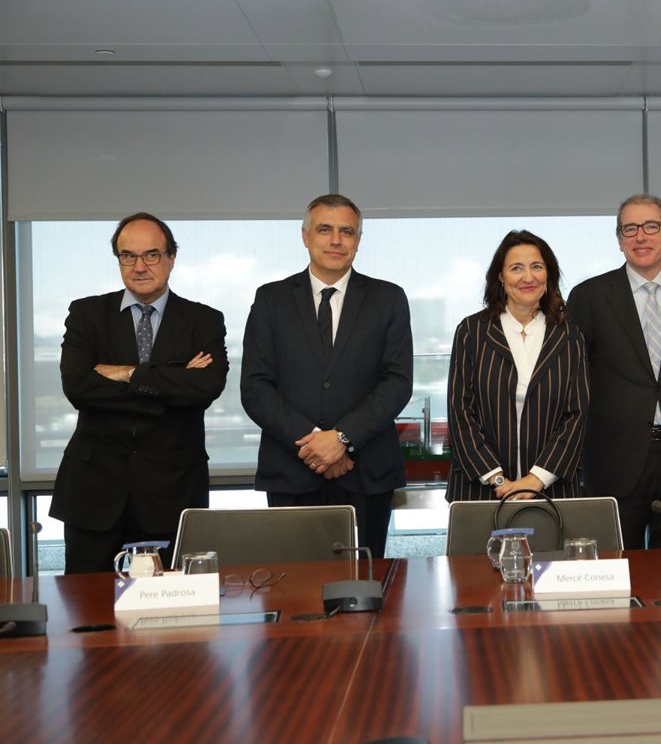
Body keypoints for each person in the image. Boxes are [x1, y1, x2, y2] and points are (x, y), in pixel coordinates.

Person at [50, 213, 228, 573]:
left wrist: (128, 373)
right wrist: (171, 384)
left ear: (171, 258)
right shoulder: (86, 314)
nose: (140, 266)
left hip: (173, 489)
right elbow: (79, 388)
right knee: (87, 603)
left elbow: (205, 388)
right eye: (128, 256)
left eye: (151, 254)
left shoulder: (204, 320)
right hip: (94, 490)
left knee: (173, 602)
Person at [241, 194, 413, 559]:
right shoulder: (271, 299)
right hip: (291, 471)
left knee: (364, 581)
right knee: (295, 586)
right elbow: (256, 387)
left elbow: (397, 382)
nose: (336, 240)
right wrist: (316, 445)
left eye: (346, 231)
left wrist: (343, 439)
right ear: (305, 236)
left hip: (367, 473)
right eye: (324, 230)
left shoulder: (389, 298)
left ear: (358, 240)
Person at [567, 194, 661, 549]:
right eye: (630, 228)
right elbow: (576, 380)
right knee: (616, 571)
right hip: (613, 460)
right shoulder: (589, 296)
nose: (641, 237)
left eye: (651, 226)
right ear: (619, 239)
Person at [445, 231, 589, 502]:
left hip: (552, 491)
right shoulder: (472, 331)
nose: (528, 277)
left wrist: (536, 479)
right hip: (481, 490)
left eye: (537, 267)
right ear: (500, 276)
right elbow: (459, 410)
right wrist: (498, 479)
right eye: (516, 268)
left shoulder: (569, 335)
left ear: (548, 274)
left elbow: (577, 414)